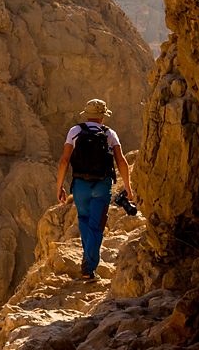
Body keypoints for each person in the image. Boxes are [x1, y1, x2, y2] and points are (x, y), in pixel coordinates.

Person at [55, 98, 133, 280]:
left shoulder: (75, 131)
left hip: (80, 185)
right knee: (97, 226)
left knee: (84, 220)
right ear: (102, 117)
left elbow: (65, 160)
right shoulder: (109, 134)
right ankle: (89, 269)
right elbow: (121, 161)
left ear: (87, 115)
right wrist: (128, 188)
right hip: (102, 184)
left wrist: (59, 187)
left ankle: (87, 263)